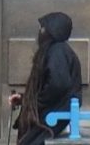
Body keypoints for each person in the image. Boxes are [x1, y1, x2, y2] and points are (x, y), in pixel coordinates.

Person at [9, 12, 82, 145]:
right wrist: (24, 99)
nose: (40, 32)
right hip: (50, 114)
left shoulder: (58, 50)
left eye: (42, 28)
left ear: (52, 31)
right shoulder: (57, 51)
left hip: (51, 115)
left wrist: (35, 103)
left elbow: (58, 85)